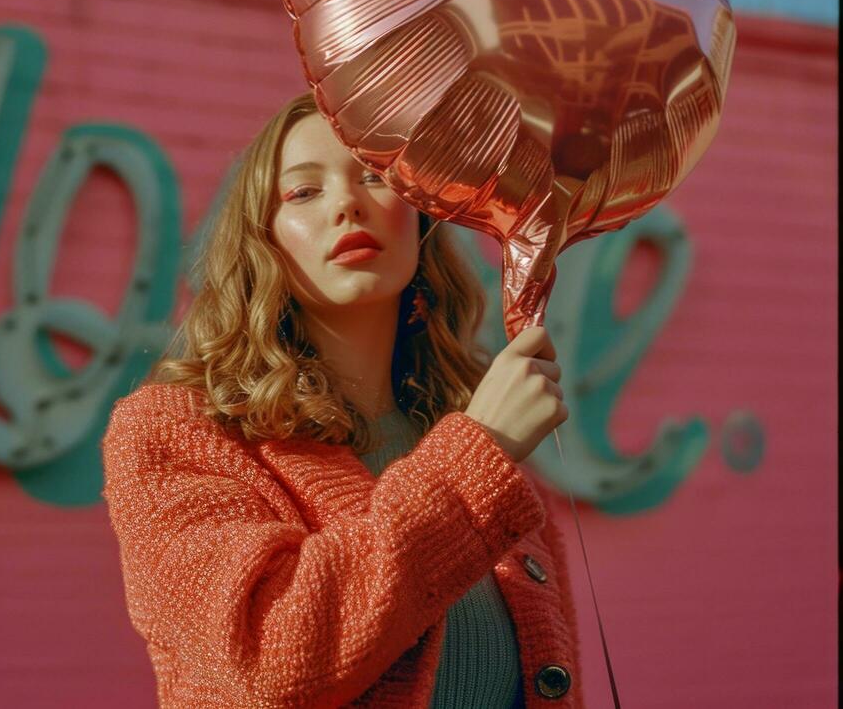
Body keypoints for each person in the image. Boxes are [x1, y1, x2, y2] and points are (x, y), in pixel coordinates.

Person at [101, 91, 581, 708]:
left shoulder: (477, 454)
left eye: (377, 177)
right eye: (304, 192)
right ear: (262, 241)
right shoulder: (175, 432)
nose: (349, 204)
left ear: (421, 218)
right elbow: (269, 660)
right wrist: (480, 453)